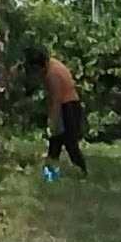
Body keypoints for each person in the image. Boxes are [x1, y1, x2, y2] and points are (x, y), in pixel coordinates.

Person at [41, 46, 85, 179]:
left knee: (68, 142)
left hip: (67, 106)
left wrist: (52, 121)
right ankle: (50, 176)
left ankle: (81, 172)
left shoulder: (52, 74)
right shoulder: (54, 63)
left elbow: (56, 99)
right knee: (56, 143)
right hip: (71, 104)